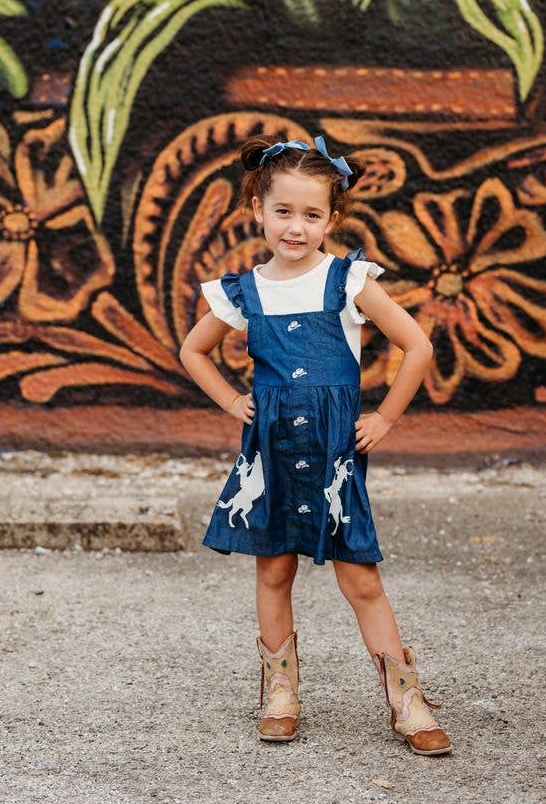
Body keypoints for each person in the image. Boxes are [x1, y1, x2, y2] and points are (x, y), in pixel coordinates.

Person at [179, 134, 452, 756]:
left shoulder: (347, 280)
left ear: (332, 218)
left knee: (360, 577)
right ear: (258, 209)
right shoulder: (243, 292)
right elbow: (194, 350)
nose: (295, 227)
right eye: (283, 211)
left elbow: (417, 346)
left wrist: (385, 417)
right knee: (274, 568)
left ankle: (405, 698)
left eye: (311, 214)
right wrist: (232, 401)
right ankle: (281, 692)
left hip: (333, 455)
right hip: (271, 451)